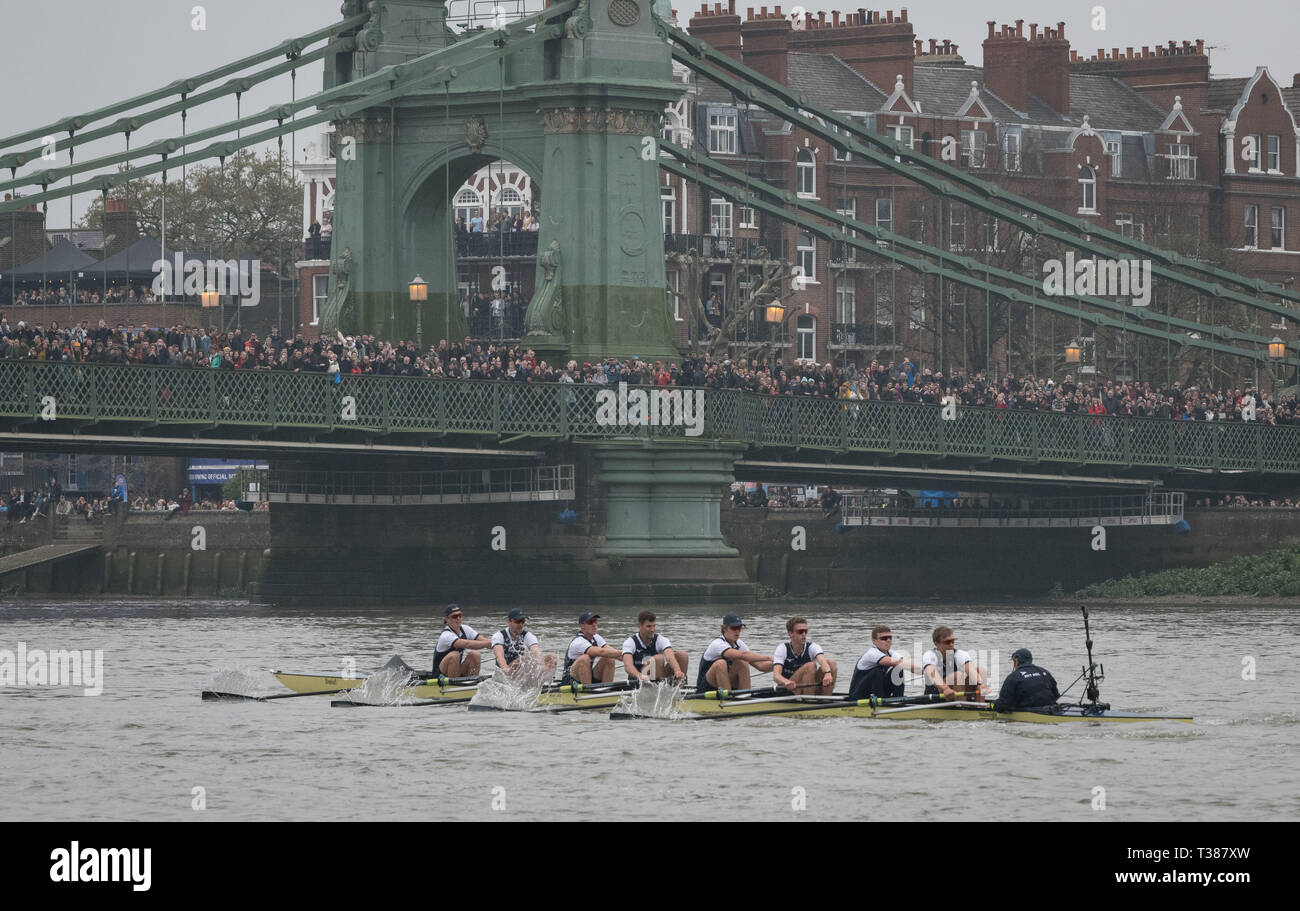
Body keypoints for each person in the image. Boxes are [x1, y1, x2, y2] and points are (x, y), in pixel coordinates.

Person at [696, 613, 773, 692]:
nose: (737, 631)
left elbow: (761, 666)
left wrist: (779, 663)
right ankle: (728, 698)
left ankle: (745, 695)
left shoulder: (739, 643)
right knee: (721, 663)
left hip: (723, 685)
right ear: (724, 629)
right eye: (733, 628)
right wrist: (769, 658)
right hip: (705, 687)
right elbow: (743, 655)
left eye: (739, 628)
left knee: (742, 662)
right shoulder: (717, 644)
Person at [848, 625, 921, 700]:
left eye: (890, 638)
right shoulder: (872, 653)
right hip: (858, 695)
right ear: (874, 641)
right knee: (877, 672)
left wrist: (926, 671)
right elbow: (894, 662)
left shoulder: (891, 652)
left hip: (876, 691)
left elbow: (907, 664)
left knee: (898, 669)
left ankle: (898, 699)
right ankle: (881, 702)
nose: (888, 640)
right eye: (884, 638)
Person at [772, 616, 837, 695]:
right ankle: (808, 701)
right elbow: (776, 676)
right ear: (790, 633)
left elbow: (822, 661)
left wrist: (827, 673)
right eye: (800, 631)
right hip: (789, 689)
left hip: (807, 687)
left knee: (831, 664)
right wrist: (786, 682)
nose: (804, 634)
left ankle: (826, 701)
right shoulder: (782, 648)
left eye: (806, 631)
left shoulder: (813, 646)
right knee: (810, 666)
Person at [620, 610, 688, 685]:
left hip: (657, 677)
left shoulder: (660, 639)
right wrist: (640, 676)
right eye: (649, 626)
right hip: (639, 680)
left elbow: (669, 656)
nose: (652, 630)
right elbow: (628, 666)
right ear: (639, 626)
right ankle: (660, 689)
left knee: (682, 655)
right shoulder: (630, 642)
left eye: (654, 626)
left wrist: (677, 670)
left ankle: (679, 688)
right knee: (658, 659)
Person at [490, 607, 557, 680]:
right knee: (524, 659)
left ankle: (545, 680)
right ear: (509, 622)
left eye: (523, 621)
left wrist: (542, 665)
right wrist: (506, 670)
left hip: (521, 672)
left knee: (552, 657)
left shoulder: (529, 636)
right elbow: (500, 657)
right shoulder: (499, 636)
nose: (521, 625)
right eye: (518, 622)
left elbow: (536, 652)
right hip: (504, 672)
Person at [921, 626, 986, 697]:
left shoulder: (960, 654)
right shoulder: (930, 655)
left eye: (952, 641)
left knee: (980, 671)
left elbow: (971, 670)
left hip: (954, 692)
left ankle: (980, 706)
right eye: (947, 642)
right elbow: (932, 674)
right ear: (936, 644)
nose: (951, 644)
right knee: (957, 675)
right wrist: (945, 688)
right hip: (936, 694)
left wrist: (980, 684)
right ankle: (960, 706)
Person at [432, 603, 491, 678]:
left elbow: (484, 641)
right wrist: (489, 643)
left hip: (455, 671)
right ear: (447, 619)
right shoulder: (446, 635)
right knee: (454, 655)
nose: (458, 618)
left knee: (475, 654)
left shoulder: (465, 629)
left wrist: (499, 645)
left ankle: (472, 681)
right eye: (454, 616)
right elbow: (467, 644)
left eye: (460, 615)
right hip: (440, 675)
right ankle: (453, 686)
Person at [563, 611, 622, 685]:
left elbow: (612, 651)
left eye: (595, 621)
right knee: (585, 658)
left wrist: (630, 656)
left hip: (586, 677)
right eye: (590, 622)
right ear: (582, 626)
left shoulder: (596, 637)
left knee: (609, 658)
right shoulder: (578, 641)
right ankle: (588, 691)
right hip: (571, 681)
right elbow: (601, 652)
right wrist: (622, 652)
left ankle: (606, 689)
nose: (594, 624)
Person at [994, 648, 1060, 713]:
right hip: (1051, 709)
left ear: (1016, 660)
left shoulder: (1013, 677)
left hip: (1031, 711)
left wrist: (991, 705)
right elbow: (1056, 695)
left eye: (1013, 661)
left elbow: (1002, 705)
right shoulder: (1044, 671)